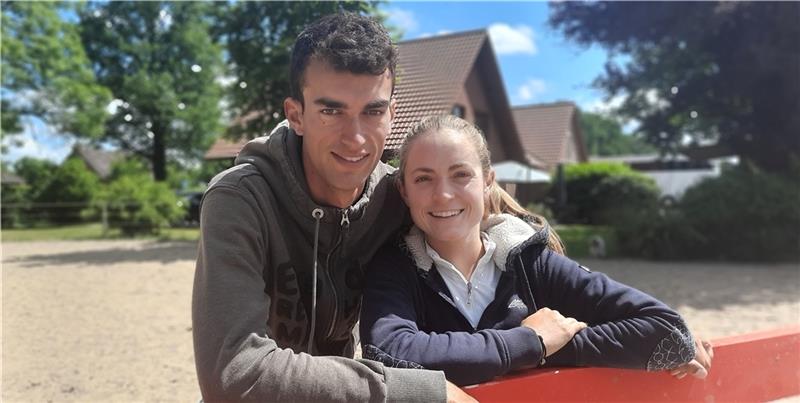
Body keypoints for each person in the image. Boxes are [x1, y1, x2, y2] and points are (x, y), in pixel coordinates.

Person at [192, 14, 474, 402]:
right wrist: (421, 393)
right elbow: (235, 375)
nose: (355, 138)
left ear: (392, 113)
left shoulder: (396, 196)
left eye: (372, 111)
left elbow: (478, 216)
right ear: (296, 115)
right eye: (331, 111)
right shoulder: (240, 200)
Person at [360, 115, 713, 386]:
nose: (443, 195)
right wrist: (529, 343)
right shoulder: (392, 265)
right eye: (424, 178)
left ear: (487, 182)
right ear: (404, 191)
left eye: (460, 175)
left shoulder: (533, 263)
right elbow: (389, 354)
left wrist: (547, 347)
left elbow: (667, 331)